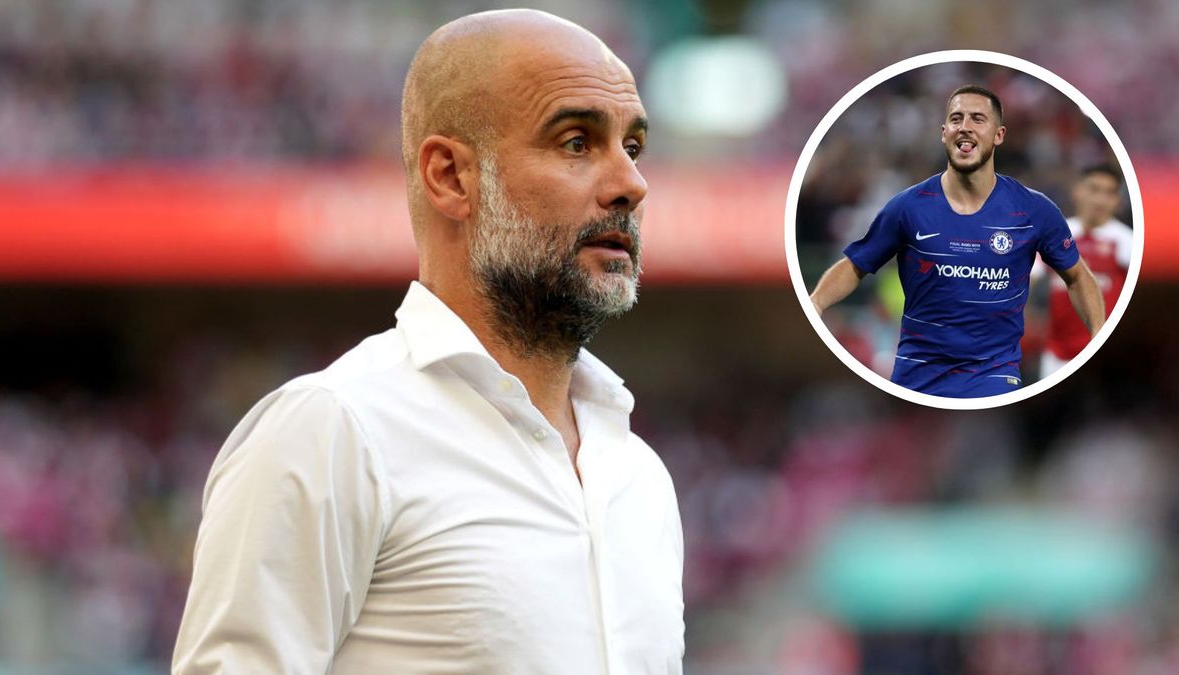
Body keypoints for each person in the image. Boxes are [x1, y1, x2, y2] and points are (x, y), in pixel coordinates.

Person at [172, 10, 684, 674]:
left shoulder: (639, 477)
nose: (631, 184)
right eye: (577, 142)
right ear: (450, 176)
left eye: (634, 148)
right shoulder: (334, 432)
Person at [809, 84, 1106, 398]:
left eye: (977, 118)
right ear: (943, 132)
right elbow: (856, 265)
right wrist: (815, 303)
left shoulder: (1035, 210)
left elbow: (1077, 276)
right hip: (917, 375)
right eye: (956, 118)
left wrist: (1098, 334)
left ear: (999, 135)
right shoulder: (908, 206)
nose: (965, 127)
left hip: (993, 376)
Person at [1032, 164, 1131, 377]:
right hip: (1057, 353)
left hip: (1102, 353)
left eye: (1109, 193)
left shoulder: (1126, 242)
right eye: (1094, 189)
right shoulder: (1054, 234)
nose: (1100, 199)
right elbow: (1026, 278)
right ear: (1077, 191)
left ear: (1117, 200)